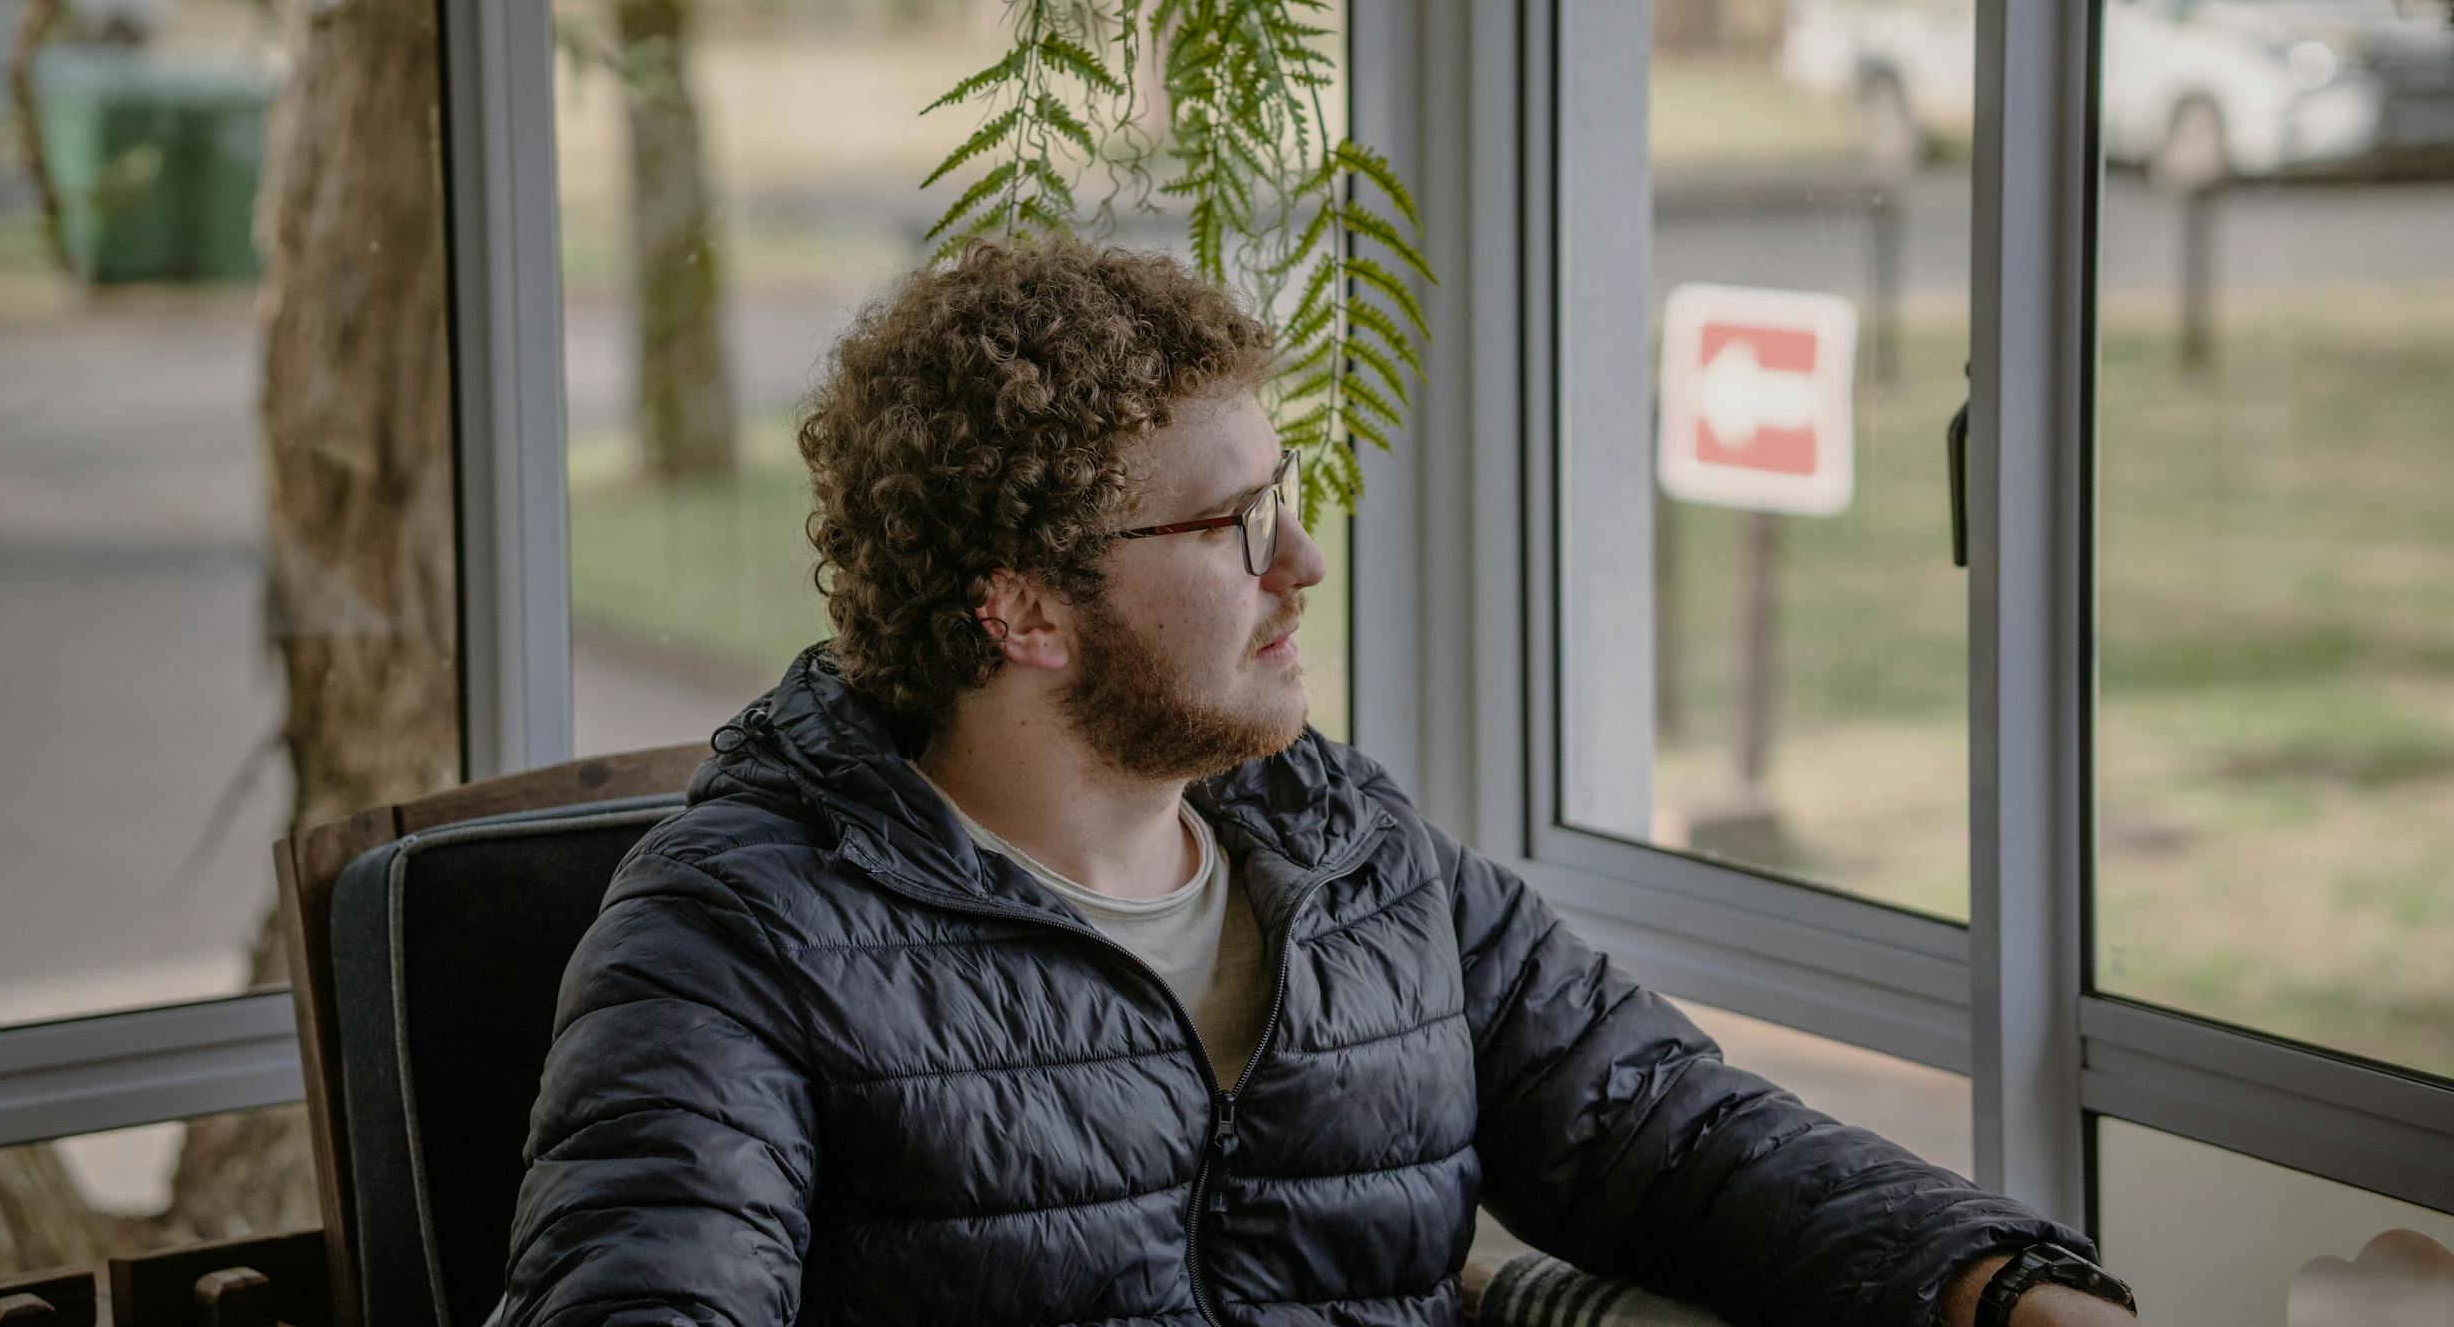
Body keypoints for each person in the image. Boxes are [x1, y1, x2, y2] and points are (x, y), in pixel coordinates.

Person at [495, 236, 2136, 1326]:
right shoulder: (737, 937)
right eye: (1229, 526)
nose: (1304, 562)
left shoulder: (1348, 852)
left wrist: (2002, 1287)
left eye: (1283, 496)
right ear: (1023, 608)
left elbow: (1669, 1133)